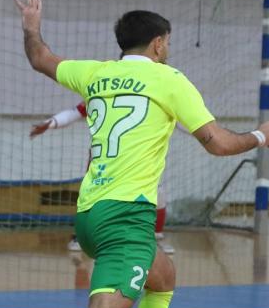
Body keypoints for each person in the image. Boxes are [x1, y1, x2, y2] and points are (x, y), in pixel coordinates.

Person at [0, 0, 269, 308]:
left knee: (162, 274)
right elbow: (215, 142)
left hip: (89, 212)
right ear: (158, 43)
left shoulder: (97, 73)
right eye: (166, 41)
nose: (167, 48)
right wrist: (259, 136)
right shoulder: (169, 80)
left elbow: (41, 59)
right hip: (126, 216)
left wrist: (31, 24)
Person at [30, 102, 177, 254]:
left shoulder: (148, 95)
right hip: (103, 157)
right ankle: (81, 236)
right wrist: (51, 123)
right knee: (90, 195)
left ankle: (156, 238)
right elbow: (75, 112)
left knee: (157, 194)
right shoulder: (102, 90)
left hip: (133, 156)